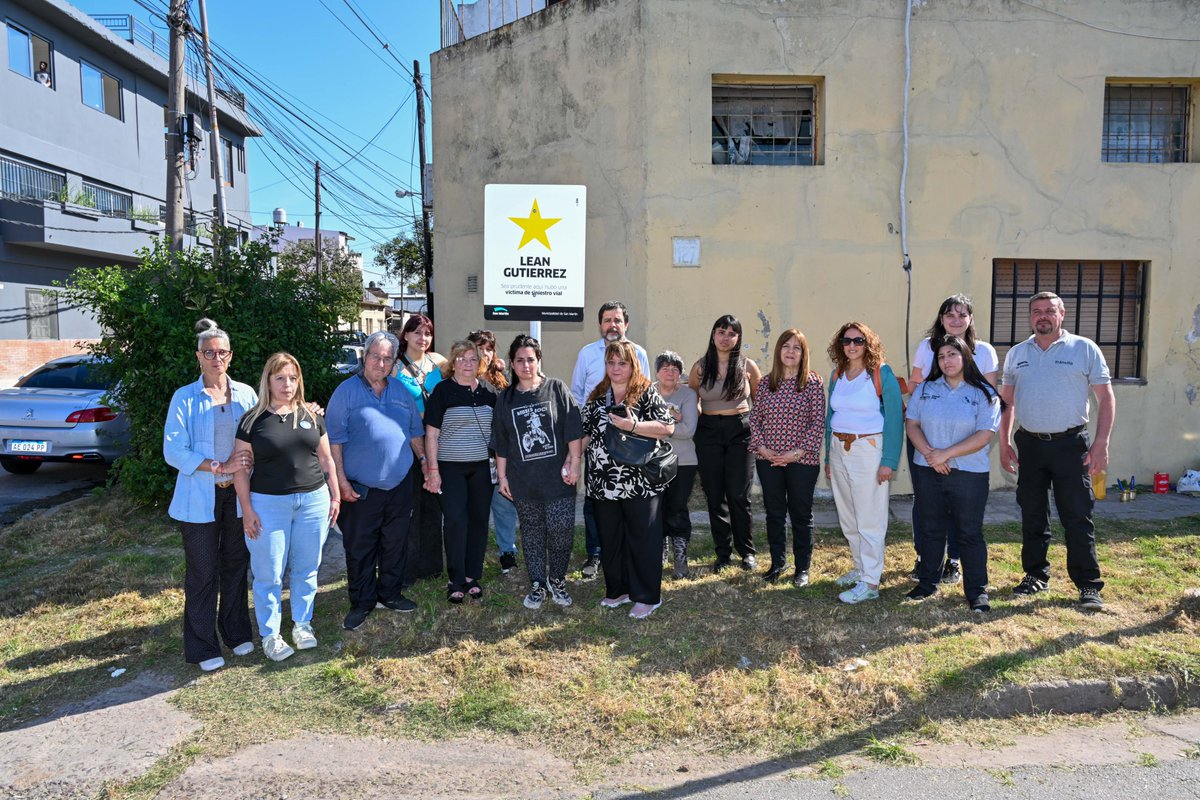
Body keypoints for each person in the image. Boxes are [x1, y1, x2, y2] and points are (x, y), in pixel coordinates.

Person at [999, 291, 1115, 610]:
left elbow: (1106, 399)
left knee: (1077, 514)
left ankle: (1088, 584)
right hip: (1030, 445)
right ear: (1030, 317)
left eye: (1050, 310)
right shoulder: (1017, 354)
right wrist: (1004, 442)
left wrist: (1101, 444)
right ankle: (1035, 575)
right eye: (1037, 311)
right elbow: (1006, 403)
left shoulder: (1084, 348)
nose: (1043, 316)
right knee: (1033, 515)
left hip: (1071, 445)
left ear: (1062, 314)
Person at [232, 353, 339, 661]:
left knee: (307, 569)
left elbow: (326, 458)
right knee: (269, 573)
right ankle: (271, 635)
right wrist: (247, 510)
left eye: (293, 378)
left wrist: (334, 496)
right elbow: (240, 469)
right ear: (268, 380)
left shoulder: (311, 415)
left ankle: (303, 625)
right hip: (268, 504)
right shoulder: (252, 420)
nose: (287, 384)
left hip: (313, 502)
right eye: (280, 378)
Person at [163, 318, 256, 672]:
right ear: (198, 357)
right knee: (203, 573)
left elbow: (261, 436)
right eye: (209, 353)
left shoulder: (247, 394)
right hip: (198, 500)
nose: (216, 358)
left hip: (239, 496)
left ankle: (235, 633)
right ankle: (203, 646)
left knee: (235, 566)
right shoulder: (184, 398)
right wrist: (219, 466)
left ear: (230, 356)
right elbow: (174, 451)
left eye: (222, 352)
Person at [326, 331, 429, 632]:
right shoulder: (345, 392)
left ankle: (390, 594)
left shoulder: (400, 391)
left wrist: (425, 463)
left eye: (387, 358)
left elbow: (415, 433)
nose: (381, 363)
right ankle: (362, 602)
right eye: (376, 356)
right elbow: (334, 444)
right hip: (360, 489)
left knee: (395, 544)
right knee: (360, 548)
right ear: (365, 356)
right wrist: (341, 483)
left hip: (399, 486)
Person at [906, 294, 1000, 585]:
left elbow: (990, 395)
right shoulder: (927, 346)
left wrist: (949, 453)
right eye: (949, 315)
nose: (956, 320)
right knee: (927, 505)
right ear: (941, 318)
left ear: (971, 319)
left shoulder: (984, 351)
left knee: (963, 513)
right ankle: (926, 559)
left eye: (962, 314)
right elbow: (916, 386)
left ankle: (955, 562)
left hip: (965, 445)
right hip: (929, 441)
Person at [583, 340, 676, 619]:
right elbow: (585, 434)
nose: (615, 368)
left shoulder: (646, 393)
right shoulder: (598, 396)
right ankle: (619, 590)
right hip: (602, 482)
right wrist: (571, 459)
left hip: (640, 482)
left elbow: (667, 428)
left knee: (643, 538)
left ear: (632, 365)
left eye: (621, 363)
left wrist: (633, 425)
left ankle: (647, 596)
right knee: (611, 539)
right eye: (611, 362)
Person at [491, 334, 584, 609]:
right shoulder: (505, 398)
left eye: (530, 359)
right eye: (520, 360)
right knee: (531, 533)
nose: (525, 365)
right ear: (512, 363)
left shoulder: (556, 389)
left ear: (538, 360)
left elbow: (573, 430)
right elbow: (502, 442)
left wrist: (575, 462)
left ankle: (556, 579)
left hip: (559, 480)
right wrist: (502, 477)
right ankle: (537, 584)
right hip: (523, 481)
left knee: (561, 530)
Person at [570, 301, 652, 579]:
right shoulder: (586, 354)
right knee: (595, 498)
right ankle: (595, 553)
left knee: (629, 499)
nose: (612, 325)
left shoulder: (638, 353)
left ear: (626, 324)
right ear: (600, 324)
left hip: (631, 441)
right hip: (595, 441)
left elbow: (645, 393)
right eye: (607, 320)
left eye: (617, 320)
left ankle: (625, 551)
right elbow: (578, 393)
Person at [824, 321, 903, 604]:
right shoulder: (838, 375)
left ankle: (871, 581)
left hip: (868, 449)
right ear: (840, 345)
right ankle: (860, 568)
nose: (852, 346)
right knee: (848, 516)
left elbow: (894, 418)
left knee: (870, 517)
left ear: (868, 343)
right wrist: (828, 458)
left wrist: (889, 461)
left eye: (859, 340)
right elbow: (830, 420)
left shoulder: (881, 373)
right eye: (847, 341)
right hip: (839, 448)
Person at [748, 329, 825, 586]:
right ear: (778, 351)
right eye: (786, 346)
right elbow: (755, 420)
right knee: (775, 513)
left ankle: (802, 568)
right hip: (769, 459)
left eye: (797, 348)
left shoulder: (813, 383)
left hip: (802, 461)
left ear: (804, 354)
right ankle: (777, 563)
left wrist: (796, 453)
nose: (790, 352)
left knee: (801, 514)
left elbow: (818, 423)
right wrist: (762, 448)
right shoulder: (766, 382)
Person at [423, 340, 497, 603]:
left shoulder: (489, 391)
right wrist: (432, 470)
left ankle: (471, 576)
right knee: (455, 520)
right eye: (462, 359)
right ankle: (455, 578)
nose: (468, 364)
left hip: (481, 468)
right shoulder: (442, 391)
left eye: (473, 359)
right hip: (449, 467)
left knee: (479, 520)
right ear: (453, 363)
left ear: (480, 363)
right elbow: (431, 434)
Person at [688, 314, 762, 571]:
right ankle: (723, 553)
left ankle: (746, 551)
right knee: (714, 494)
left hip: (740, 431)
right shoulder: (699, 367)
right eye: (721, 331)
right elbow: (693, 399)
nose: (726, 337)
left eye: (732, 333)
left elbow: (760, 404)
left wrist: (761, 435)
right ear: (713, 334)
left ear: (738, 338)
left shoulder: (748, 366)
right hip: (708, 432)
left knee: (738, 494)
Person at [396, 312, 447, 586]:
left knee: (432, 506)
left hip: (436, 441)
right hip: (407, 445)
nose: (423, 338)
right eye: (417, 332)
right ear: (406, 335)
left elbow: (470, 367)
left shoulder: (439, 362)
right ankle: (408, 569)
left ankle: (431, 567)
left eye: (427, 333)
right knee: (409, 507)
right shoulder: (394, 367)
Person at [469, 328, 519, 575]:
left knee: (503, 504)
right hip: (470, 455)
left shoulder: (500, 379)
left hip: (497, 454)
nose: (485, 353)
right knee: (475, 507)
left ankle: (507, 551)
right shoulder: (463, 377)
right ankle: (471, 554)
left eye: (489, 348)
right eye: (480, 347)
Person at [653, 351, 698, 579]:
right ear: (657, 371)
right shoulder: (647, 392)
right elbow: (641, 427)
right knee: (657, 507)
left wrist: (658, 429)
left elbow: (689, 430)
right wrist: (671, 426)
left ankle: (680, 556)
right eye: (665, 368)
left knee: (677, 507)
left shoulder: (688, 394)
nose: (670, 373)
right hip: (653, 461)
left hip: (684, 461)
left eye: (675, 369)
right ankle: (659, 552)